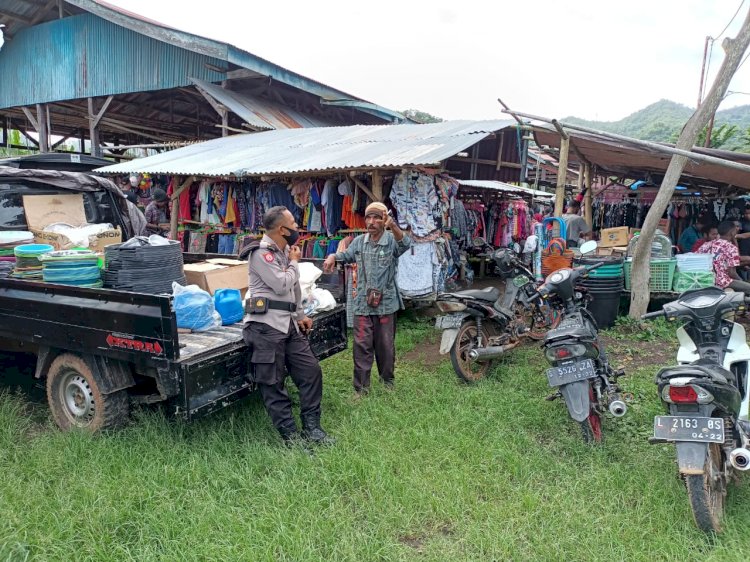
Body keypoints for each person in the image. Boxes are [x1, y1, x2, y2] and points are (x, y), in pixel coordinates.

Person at [243, 206, 334, 445]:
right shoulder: (261, 253)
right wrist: (294, 262)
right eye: (293, 224)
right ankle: (291, 438)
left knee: (310, 371)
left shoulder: (283, 250)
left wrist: (301, 314)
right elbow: (282, 284)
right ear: (282, 229)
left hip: (288, 324)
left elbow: (294, 290)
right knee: (273, 383)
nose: (297, 228)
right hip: (265, 326)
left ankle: (312, 427)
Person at [323, 202, 411, 398]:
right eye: (368, 218)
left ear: (384, 219)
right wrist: (332, 256)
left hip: (386, 303)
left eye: (376, 218)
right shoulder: (359, 242)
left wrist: (394, 226)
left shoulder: (390, 240)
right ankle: (361, 389)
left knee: (385, 346)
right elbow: (345, 255)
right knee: (361, 346)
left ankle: (387, 381)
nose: (371, 222)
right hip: (362, 303)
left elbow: (406, 244)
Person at [697, 221, 750, 295]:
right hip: (722, 282)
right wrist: (742, 281)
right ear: (732, 233)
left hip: (704, 280)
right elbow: (732, 273)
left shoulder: (706, 245)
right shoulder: (730, 247)